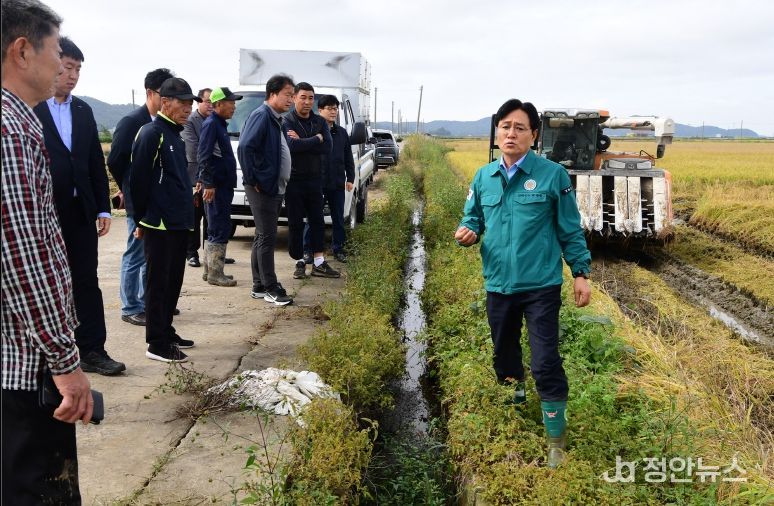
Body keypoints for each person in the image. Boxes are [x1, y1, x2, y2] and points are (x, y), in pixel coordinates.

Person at [454, 99, 591, 468]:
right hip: (498, 284)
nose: (510, 133)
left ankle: (556, 443)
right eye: (504, 126)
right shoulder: (484, 177)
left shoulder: (552, 176)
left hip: (540, 286)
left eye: (519, 127)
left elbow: (569, 228)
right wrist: (468, 231)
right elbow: (473, 217)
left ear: (534, 135)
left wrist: (580, 273)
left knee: (545, 361)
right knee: (505, 354)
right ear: (497, 132)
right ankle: (513, 418)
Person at [2, 1, 93, 503]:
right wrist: (64, 361)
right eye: (57, 52)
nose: (62, 66)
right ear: (22, 51)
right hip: (24, 362)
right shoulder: (11, 131)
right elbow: (23, 259)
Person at [33, 36, 125, 376]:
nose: (72, 75)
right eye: (67, 67)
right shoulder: (30, 108)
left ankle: (92, 349)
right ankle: (48, 354)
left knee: (86, 280)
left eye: (77, 69)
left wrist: (102, 208)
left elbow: (92, 163)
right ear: (53, 66)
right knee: (46, 283)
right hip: (43, 214)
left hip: (80, 212)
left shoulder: (83, 110)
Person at [129, 77, 200, 363]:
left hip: (178, 222)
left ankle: (166, 330)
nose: (187, 108)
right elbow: (138, 181)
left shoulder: (175, 135)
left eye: (189, 103)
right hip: (158, 223)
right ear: (165, 102)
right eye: (182, 103)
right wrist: (140, 220)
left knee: (173, 282)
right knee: (158, 283)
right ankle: (156, 343)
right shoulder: (151, 133)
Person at [107, 67, 175, 327]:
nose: (168, 100)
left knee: (153, 253)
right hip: (139, 198)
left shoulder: (162, 123)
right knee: (135, 252)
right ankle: (130, 306)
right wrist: (128, 186)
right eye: (164, 95)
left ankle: (150, 302)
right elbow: (115, 159)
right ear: (150, 93)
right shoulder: (132, 121)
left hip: (157, 199)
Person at [237, 74, 295, 306]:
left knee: (262, 236)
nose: (290, 100)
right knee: (268, 237)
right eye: (287, 95)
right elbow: (244, 147)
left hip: (271, 186)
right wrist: (255, 180)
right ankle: (271, 288)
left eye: (292, 95)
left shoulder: (275, 118)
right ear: (273, 94)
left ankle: (259, 285)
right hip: (263, 188)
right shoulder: (262, 116)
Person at [283, 82, 339, 279]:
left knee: (317, 221)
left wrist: (303, 141)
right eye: (303, 97)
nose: (307, 102)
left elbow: (327, 147)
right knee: (295, 223)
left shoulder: (320, 122)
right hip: (294, 180)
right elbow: (291, 146)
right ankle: (298, 262)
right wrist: (316, 139)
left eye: (310, 98)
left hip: (315, 180)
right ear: (294, 98)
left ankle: (319, 262)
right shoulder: (287, 120)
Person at [198, 86, 242, 287]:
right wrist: (208, 183)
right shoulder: (211, 124)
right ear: (218, 104)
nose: (234, 106)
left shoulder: (220, 124)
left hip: (222, 185)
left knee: (217, 225)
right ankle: (216, 273)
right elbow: (204, 155)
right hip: (216, 186)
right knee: (218, 226)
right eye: (230, 102)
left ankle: (210, 271)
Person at [303, 94, 354, 263]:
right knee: (313, 218)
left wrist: (350, 178)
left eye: (335, 108)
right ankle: (308, 250)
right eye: (330, 108)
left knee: (338, 218)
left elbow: (348, 157)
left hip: (337, 182)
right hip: (316, 183)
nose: (334, 112)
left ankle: (338, 249)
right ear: (320, 110)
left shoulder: (342, 133)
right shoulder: (313, 130)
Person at [181, 87, 212, 269]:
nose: (210, 105)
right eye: (207, 101)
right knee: (194, 218)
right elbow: (194, 151)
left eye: (212, 102)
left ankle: (211, 253)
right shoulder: (190, 121)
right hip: (194, 177)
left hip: (211, 177)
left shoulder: (214, 120)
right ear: (199, 102)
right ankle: (191, 253)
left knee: (211, 219)